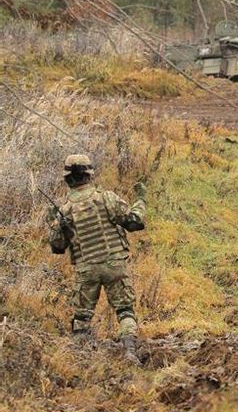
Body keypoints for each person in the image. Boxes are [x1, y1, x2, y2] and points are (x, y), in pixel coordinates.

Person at [48, 154, 146, 364]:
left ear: (67, 179)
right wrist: (141, 199)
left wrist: (57, 225)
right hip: (114, 265)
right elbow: (134, 222)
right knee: (125, 310)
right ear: (89, 175)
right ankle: (129, 352)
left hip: (86, 270)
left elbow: (57, 247)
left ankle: (82, 361)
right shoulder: (106, 198)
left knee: (82, 316)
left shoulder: (64, 210)